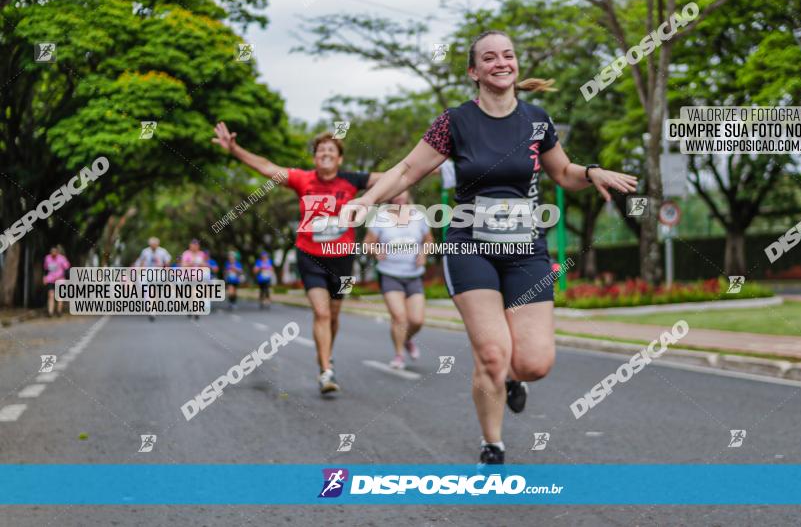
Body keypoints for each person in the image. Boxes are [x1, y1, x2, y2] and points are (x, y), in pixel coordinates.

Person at [342, 30, 637, 464]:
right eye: (490, 57)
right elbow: (407, 170)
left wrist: (590, 172)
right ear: (474, 71)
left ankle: (513, 380)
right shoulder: (455, 122)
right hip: (470, 247)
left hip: (526, 250)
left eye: (509, 55)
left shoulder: (537, 119)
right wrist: (368, 199)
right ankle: (492, 442)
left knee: (534, 363)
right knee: (493, 355)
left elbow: (563, 172)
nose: (502, 63)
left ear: (516, 64)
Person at [212, 123, 382, 395]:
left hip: (342, 258)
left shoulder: (352, 180)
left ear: (339, 158)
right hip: (310, 255)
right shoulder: (303, 179)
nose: (325, 153)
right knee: (322, 312)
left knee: (334, 314)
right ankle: (326, 370)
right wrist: (235, 150)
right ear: (315, 158)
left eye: (331, 150)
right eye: (320, 150)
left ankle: (326, 353)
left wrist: (436, 161)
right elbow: (266, 167)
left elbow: (398, 175)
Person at [362, 190, 433, 370]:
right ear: (389, 195)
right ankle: (399, 354)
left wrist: (424, 254)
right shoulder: (379, 217)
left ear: (408, 192)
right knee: (399, 317)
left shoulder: (419, 215)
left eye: (403, 191)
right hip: (389, 274)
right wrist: (376, 251)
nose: (399, 195)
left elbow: (429, 241)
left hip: (413, 274)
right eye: (396, 192)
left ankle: (407, 339)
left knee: (417, 320)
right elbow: (367, 244)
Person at [134, 237, 172, 321]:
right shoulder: (145, 252)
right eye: (152, 244)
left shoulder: (163, 251)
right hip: (148, 275)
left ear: (157, 244)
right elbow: (141, 262)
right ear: (149, 244)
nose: (153, 245)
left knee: (157, 293)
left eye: (155, 244)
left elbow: (167, 263)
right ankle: (152, 311)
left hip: (159, 275)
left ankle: (154, 308)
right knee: (151, 292)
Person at [181, 239, 208, 320]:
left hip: (198, 278)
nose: (195, 246)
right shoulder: (186, 254)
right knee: (189, 296)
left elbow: (205, 265)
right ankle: (189, 308)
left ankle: (196, 311)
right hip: (188, 277)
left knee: (196, 294)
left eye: (196, 245)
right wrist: (192, 263)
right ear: (190, 246)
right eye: (193, 245)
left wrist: (201, 264)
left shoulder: (201, 254)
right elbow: (183, 265)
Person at [43, 246, 70, 317]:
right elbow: (45, 269)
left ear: (57, 253)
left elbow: (67, 270)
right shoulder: (47, 258)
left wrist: (63, 277)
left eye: (55, 252)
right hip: (50, 279)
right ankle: (50, 312)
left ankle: (59, 311)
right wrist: (45, 277)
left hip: (60, 280)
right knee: (50, 295)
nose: (53, 254)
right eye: (52, 252)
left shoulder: (62, 259)